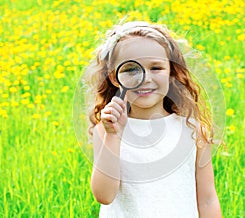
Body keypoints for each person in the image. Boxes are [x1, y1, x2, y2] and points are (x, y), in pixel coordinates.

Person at [84, 21, 222, 217]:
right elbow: (104, 195)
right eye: (131, 69)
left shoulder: (193, 130)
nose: (145, 78)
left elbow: (207, 200)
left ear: (171, 73)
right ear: (115, 78)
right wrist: (114, 135)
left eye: (156, 68)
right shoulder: (107, 130)